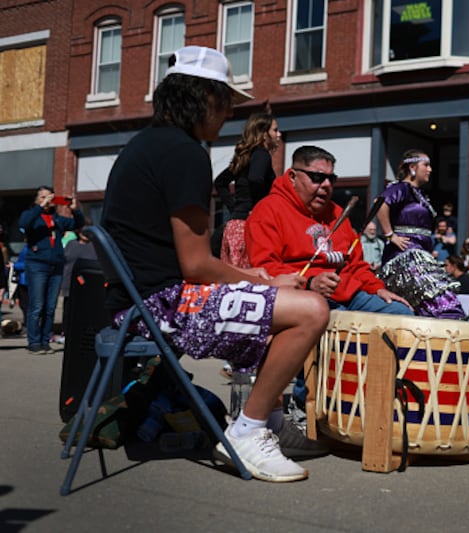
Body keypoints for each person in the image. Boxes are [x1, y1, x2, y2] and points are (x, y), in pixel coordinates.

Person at [101, 45, 330, 483]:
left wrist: (261, 282)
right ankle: (248, 430)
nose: (228, 113)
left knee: (283, 297)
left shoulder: (144, 145)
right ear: (202, 97)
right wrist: (257, 278)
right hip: (160, 307)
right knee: (310, 310)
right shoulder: (186, 154)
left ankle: (274, 423)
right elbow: (196, 266)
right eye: (225, 101)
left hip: (136, 302)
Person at [246, 145, 412, 316]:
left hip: (350, 295)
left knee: (401, 313)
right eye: (317, 177)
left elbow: (356, 265)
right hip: (302, 297)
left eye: (330, 179)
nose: (326, 185)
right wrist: (309, 283)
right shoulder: (267, 211)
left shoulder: (338, 213)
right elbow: (265, 270)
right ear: (292, 177)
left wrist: (377, 288)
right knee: (337, 320)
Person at [375, 149, 465, 319]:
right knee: (441, 303)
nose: (430, 169)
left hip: (422, 255)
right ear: (412, 167)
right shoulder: (402, 187)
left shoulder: (419, 194)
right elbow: (379, 204)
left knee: (430, 304)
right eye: (426, 165)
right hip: (405, 257)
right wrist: (390, 235)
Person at [18, 186, 85, 354]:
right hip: (37, 264)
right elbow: (24, 224)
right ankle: (33, 342)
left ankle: (45, 341)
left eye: (49, 197)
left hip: (56, 265)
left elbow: (78, 224)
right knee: (37, 305)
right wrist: (40, 207)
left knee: (50, 307)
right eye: (42, 197)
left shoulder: (58, 219)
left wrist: (75, 210)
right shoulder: (31, 216)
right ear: (36, 200)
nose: (46, 200)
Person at [214, 111, 281, 269]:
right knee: (247, 283)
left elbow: (220, 182)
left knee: (232, 282)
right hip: (249, 228)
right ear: (264, 134)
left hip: (233, 227)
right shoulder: (262, 155)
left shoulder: (244, 157)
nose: (279, 134)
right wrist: (260, 209)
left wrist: (234, 208)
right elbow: (255, 178)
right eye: (275, 130)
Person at [58, 220, 99, 343]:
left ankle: (86, 333)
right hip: (69, 281)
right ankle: (66, 332)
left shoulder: (96, 246)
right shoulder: (71, 244)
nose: (84, 233)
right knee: (69, 309)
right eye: (82, 230)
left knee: (87, 309)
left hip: (89, 283)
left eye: (87, 230)